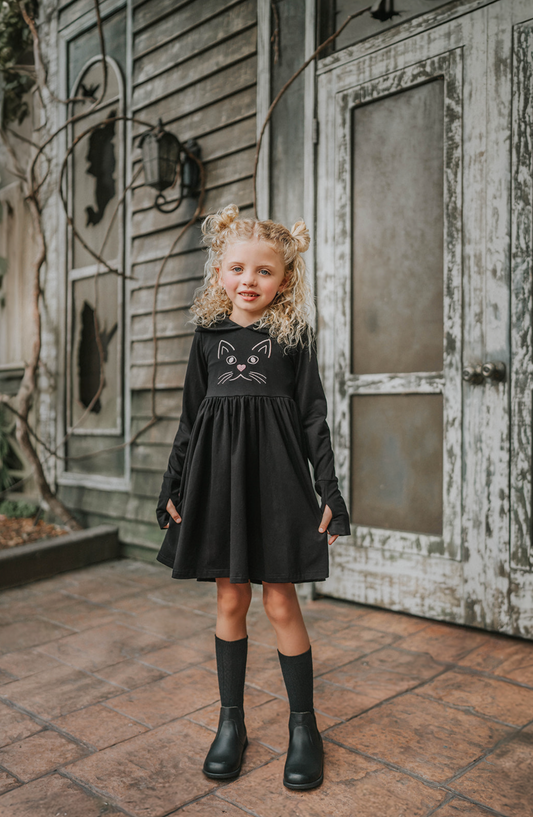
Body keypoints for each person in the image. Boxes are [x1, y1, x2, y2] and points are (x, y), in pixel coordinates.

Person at [156, 204, 350, 790]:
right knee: (230, 600)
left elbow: (314, 419)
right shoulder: (208, 338)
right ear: (220, 273)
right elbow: (191, 419)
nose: (249, 280)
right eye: (237, 267)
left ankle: (303, 727)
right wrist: (173, 484)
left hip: (277, 481)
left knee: (281, 603)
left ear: (284, 280)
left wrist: (331, 493)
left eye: (264, 271)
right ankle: (230, 723)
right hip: (219, 483)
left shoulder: (292, 340)